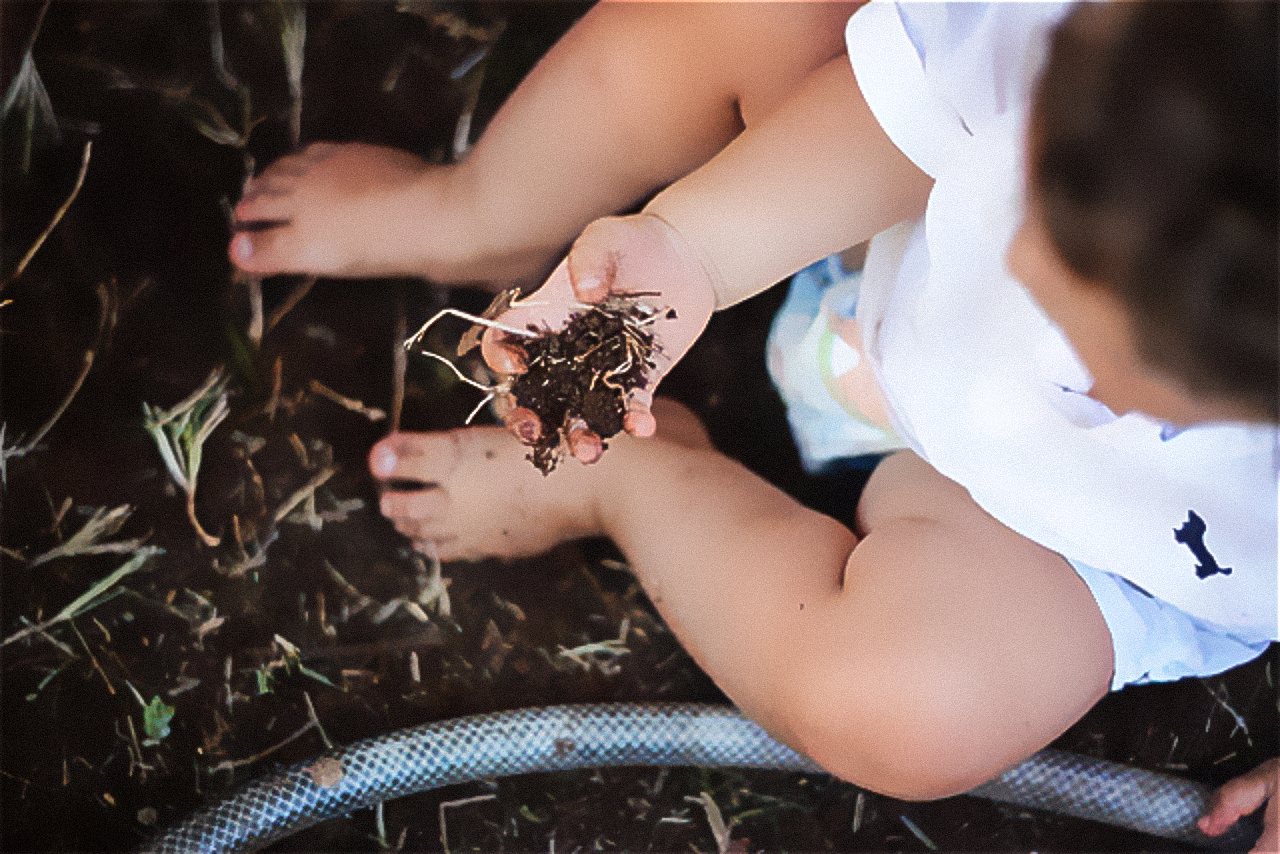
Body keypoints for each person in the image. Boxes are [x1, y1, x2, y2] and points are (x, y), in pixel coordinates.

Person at [232, 2, 1278, 849]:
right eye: (1045, 224)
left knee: (908, 707)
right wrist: (690, 249)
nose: (1039, 328)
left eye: (1120, 368)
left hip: (1073, 542)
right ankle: (472, 211)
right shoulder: (1159, 46)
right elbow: (901, 116)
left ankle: (630, 481)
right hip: (885, 233)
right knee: (764, 13)